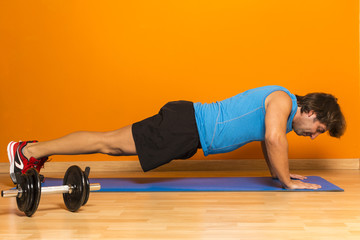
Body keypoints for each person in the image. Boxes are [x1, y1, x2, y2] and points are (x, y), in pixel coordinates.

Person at [7, 85, 346, 190]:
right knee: (107, 143)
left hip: (188, 130)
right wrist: (288, 182)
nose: (313, 137)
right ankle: (29, 150)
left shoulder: (283, 116)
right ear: (313, 113)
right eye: (318, 131)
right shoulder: (284, 99)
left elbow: (268, 139)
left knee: (108, 143)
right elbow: (273, 140)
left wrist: (279, 173)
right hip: (187, 125)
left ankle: (33, 150)